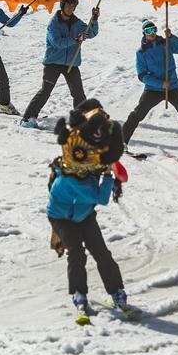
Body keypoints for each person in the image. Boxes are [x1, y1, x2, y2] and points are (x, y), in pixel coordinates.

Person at [46, 99, 131, 321]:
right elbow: (99, 198)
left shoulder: (91, 164)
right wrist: (107, 176)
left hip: (84, 215)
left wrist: (107, 171)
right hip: (61, 216)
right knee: (76, 252)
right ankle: (79, 293)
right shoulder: (69, 172)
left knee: (101, 252)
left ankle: (117, 292)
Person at [121, 19, 178, 149]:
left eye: (153, 29)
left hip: (172, 87)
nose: (152, 33)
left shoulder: (166, 43)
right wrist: (160, 83)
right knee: (138, 114)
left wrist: (171, 37)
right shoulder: (141, 52)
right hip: (153, 89)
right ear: (144, 33)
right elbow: (142, 75)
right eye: (148, 30)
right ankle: (122, 141)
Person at [20, 0, 99, 128]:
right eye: (68, 5)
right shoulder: (54, 23)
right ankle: (27, 119)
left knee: (78, 93)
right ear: (62, 6)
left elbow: (91, 33)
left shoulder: (77, 22)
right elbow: (57, 43)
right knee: (45, 91)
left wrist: (94, 19)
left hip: (71, 63)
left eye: (73, 6)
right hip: (53, 63)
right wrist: (76, 39)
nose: (71, 8)